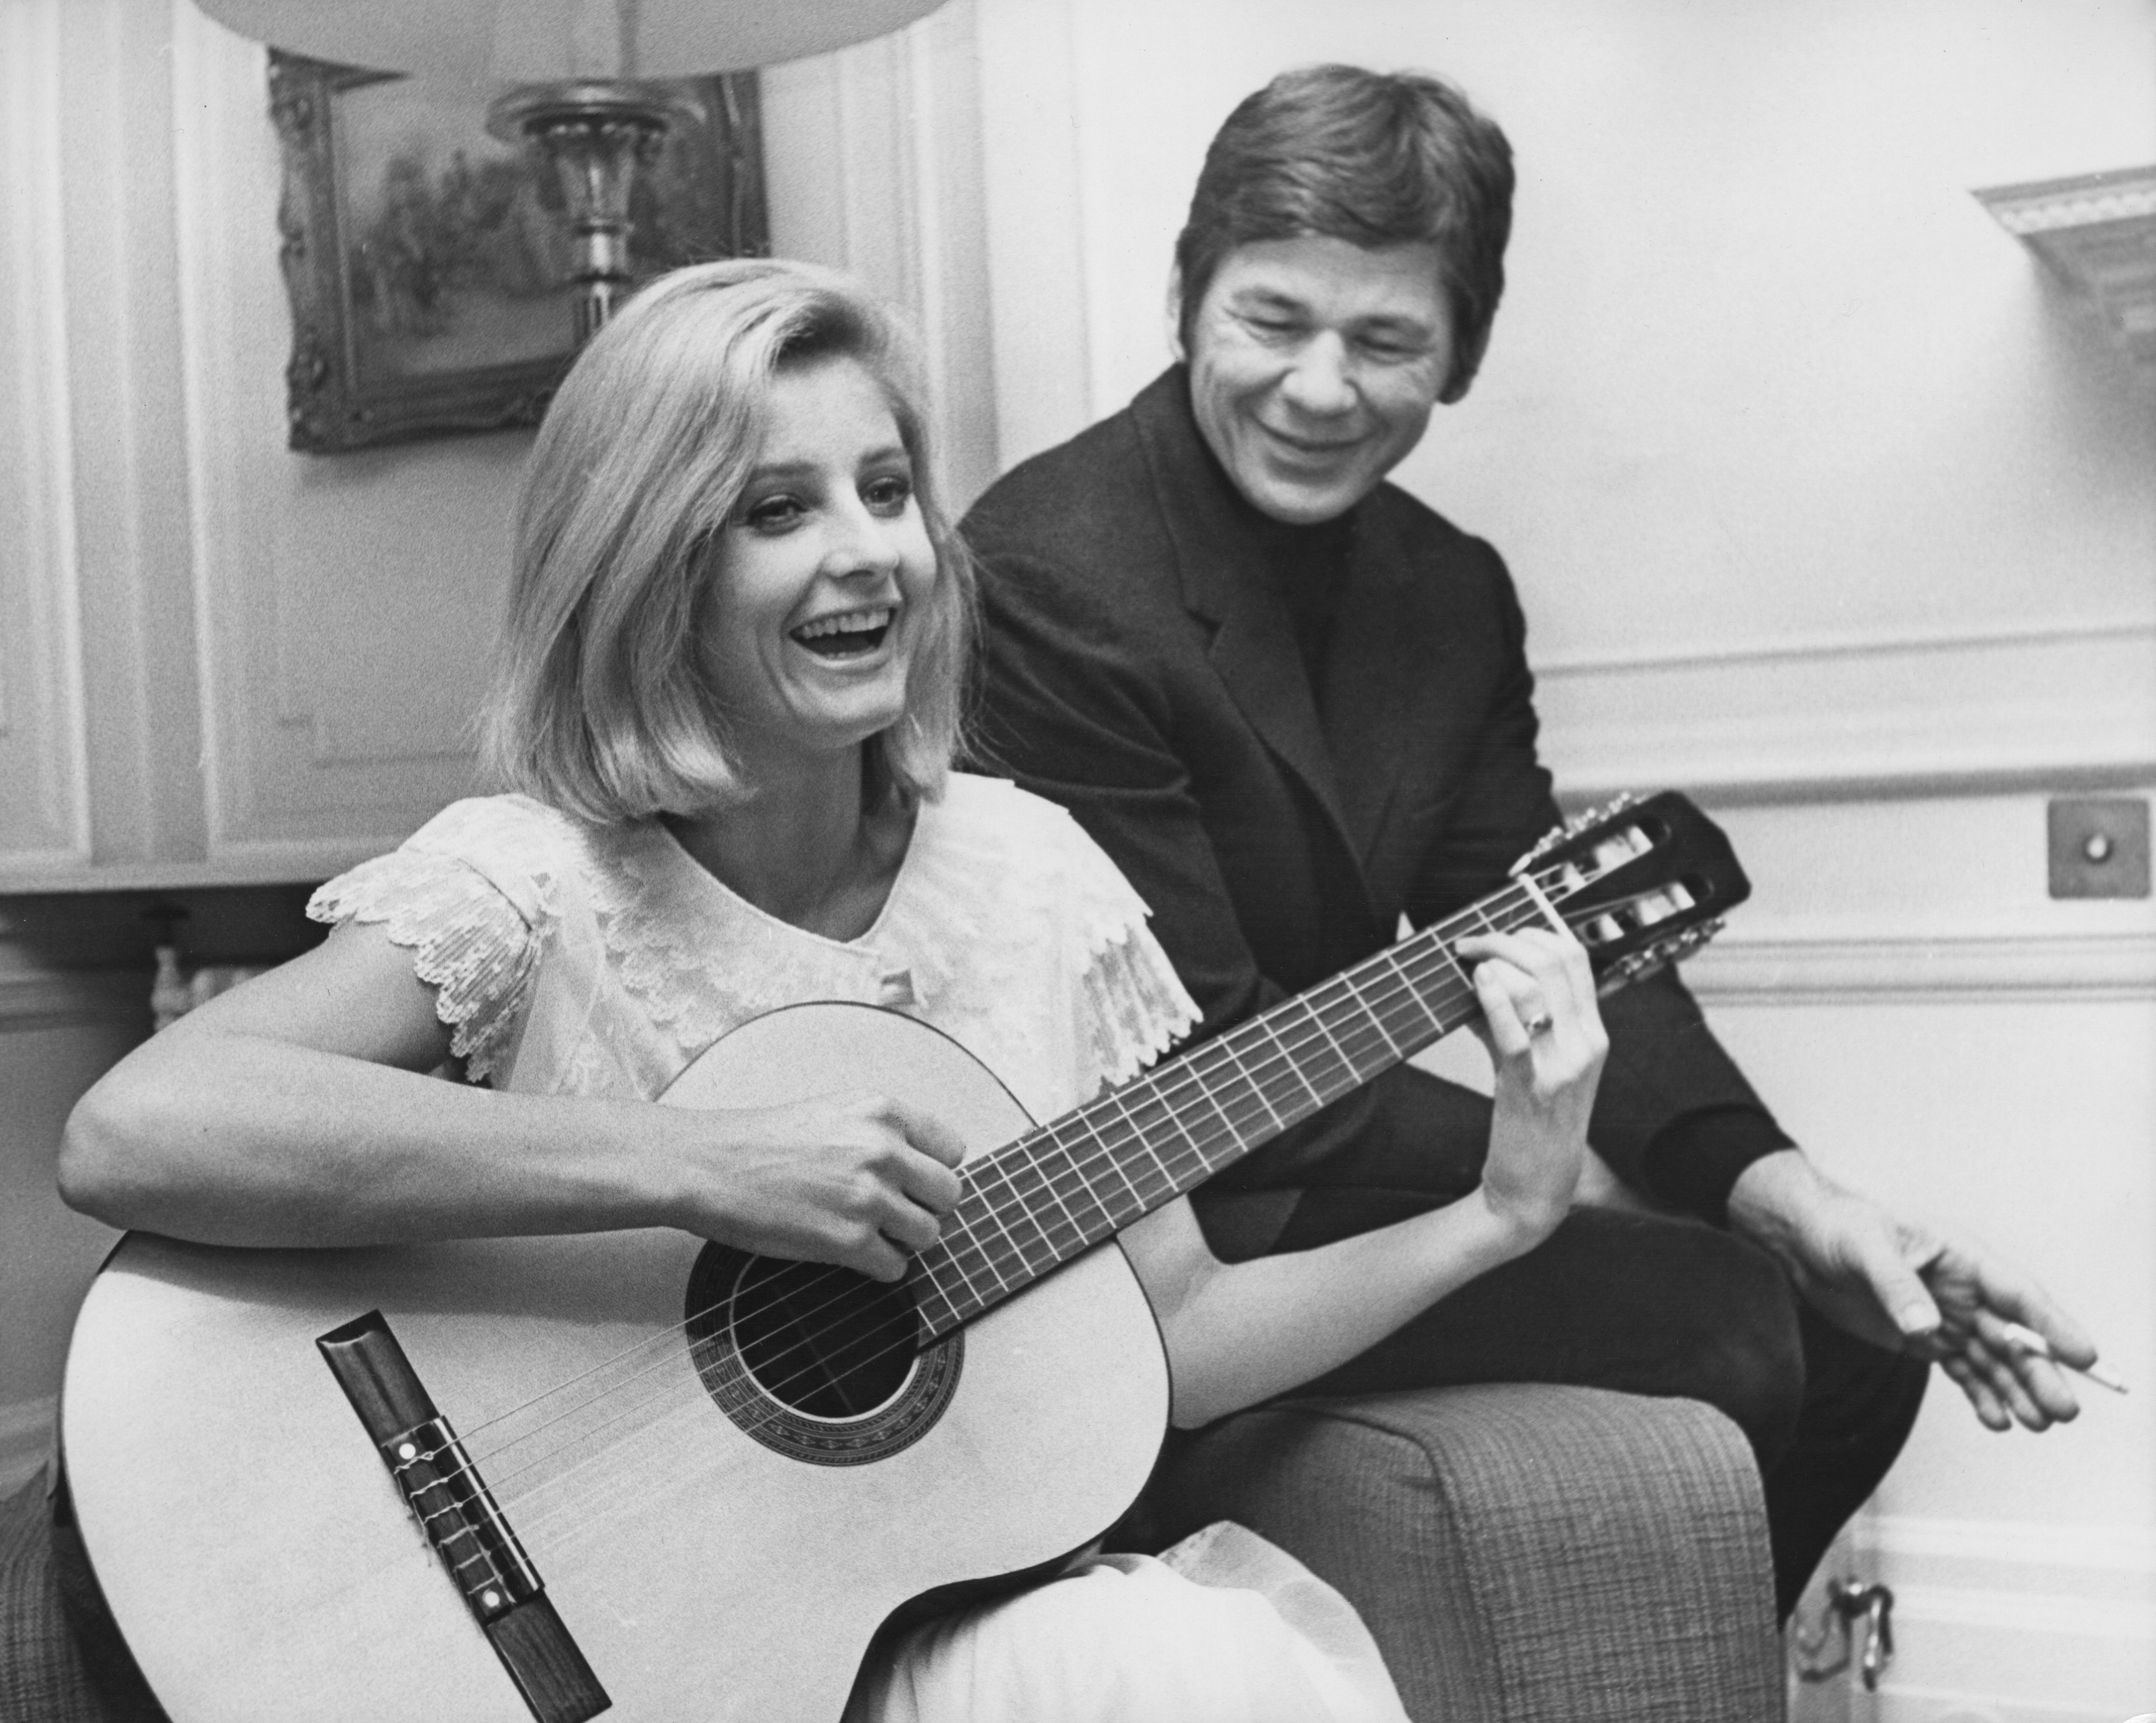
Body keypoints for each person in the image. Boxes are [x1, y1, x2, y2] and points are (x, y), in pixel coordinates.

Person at [54, 258, 1610, 1723]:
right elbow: (140, 1126)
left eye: (886, 491)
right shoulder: (534, 878)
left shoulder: (1029, 871)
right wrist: (708, 1167)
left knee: (1193, 1673)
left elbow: (1181, 1327)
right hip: (619, 1648)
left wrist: (1500, 1214)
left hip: (885, 1638)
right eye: (775, 509)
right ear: (651, 560)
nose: (867, 548)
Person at [961, 63, 2104, 1619]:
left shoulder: (1452, 590)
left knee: (1849, 1330)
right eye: (1271, 319)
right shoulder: (1051, 574)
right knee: (1738, 1330)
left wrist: (1788, 1192)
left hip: (1322, 1141)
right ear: (1187, 295)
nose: (1318, 388)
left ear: (1465, 353)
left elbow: (1562, 935)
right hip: (1155, 1230)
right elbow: (1197, 1084)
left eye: (1386, 340)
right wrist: (1563, 1181)